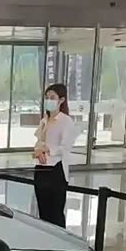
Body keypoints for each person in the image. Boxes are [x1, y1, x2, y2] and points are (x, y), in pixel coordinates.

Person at [32, 83, 81, 228]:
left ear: (61, 100)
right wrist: (38, 152)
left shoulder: (65, 121)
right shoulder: (44, 121)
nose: (49, 100)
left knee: (55, 213)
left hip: (56, 170)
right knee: (43, 211)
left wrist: (48, 150)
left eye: (52, 97)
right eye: (47, 97)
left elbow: (65, 147)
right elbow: (39, 141)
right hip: (41, 168)